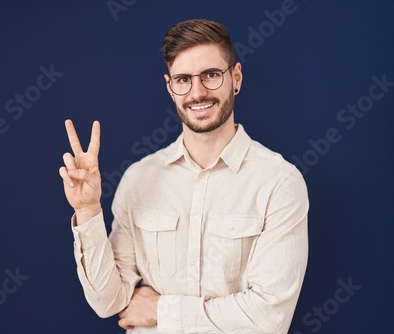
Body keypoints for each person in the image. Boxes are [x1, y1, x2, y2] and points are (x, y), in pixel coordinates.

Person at [59, 19, 309, 334]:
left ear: (236, 78)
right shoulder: (138, 179)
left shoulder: (279, 183)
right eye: (183, 79)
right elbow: (108, 302)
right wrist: (87, 210)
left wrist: (160, 309)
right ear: (170, 87)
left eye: (211, 75)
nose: (198, 92)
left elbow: (268, 319)